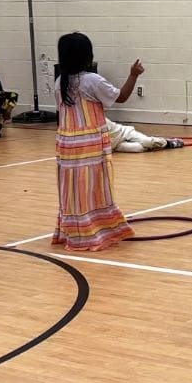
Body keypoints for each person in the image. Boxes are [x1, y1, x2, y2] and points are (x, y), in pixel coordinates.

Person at [52, 32, 141, 251]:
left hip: (66, 144)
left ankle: (74, 228)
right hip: (89, 144)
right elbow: (120, 97)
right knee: (93, 187)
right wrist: (133, 75)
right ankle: (92, 230)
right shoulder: (91, 80)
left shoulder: (59, 82)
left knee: (73, 189)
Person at [104, 118, 183, 153]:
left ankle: (168, 142)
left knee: (147, 141)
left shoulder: (100, 119)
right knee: (139, 149)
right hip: (116, 146)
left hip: (125, 133)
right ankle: (155, 143)